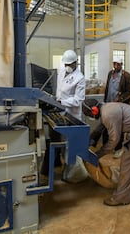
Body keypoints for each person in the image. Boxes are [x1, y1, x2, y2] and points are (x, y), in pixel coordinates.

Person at [82, 98, 130, 206]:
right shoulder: (106, 108)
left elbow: (114, 141)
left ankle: (122, 197)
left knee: (128, 162)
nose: (91, 117)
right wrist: (90, 141)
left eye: (89, 115)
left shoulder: (108, 114)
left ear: (94, 111)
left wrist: (99, 154)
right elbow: (100, 128)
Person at [40, 49, 86, 180]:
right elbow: (59, 88)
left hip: (72, 114)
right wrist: (55, 99)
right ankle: (56, 163)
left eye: (70, 65)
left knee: (68, 144)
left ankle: (70, 171)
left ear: (76, 63)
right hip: (59, 110)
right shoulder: (62, 70)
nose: (67, 67)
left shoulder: (80, 78)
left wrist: (62, 101)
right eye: (66, 65)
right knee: (55, 138)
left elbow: (78, 100)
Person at [90, 57, 130, 158]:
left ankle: (118, 148)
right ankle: (106, 145)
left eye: (118, 64)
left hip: (119, 106)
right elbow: (107, 88)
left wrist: (120, 98)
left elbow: (129, 92)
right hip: (108, 104)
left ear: (121, 64)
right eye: (114, 64)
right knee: (105, 125)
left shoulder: (126, 76)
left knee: (118, 127)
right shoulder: (110, 73)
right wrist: (105, 101)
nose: (116, 66)